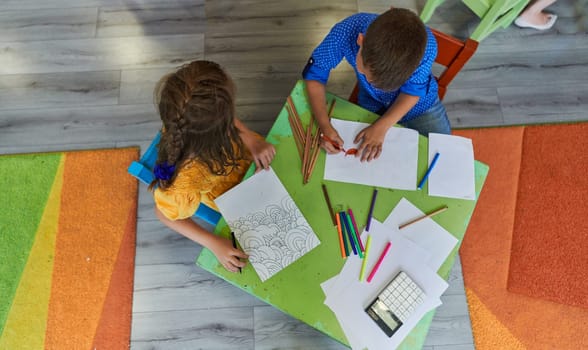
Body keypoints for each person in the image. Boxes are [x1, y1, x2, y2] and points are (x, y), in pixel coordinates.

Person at [150, 60, 276, 272]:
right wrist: (213, 243)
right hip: (230, 194)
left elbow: (228, 119)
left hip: (246, 156)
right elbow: (163, 214)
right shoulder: (182, 184)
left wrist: (250, 140)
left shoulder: (195, 113)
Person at [303, 8, 450, 162]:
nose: (376, 86)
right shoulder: (345, 32)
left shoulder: (427, 47)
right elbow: (314, 76)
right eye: (368, 77)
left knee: (443, 155)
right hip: (372, 102)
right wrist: (324, 125)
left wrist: (382, 126)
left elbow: (412, 91)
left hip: (420, 105)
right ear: (361, 40)